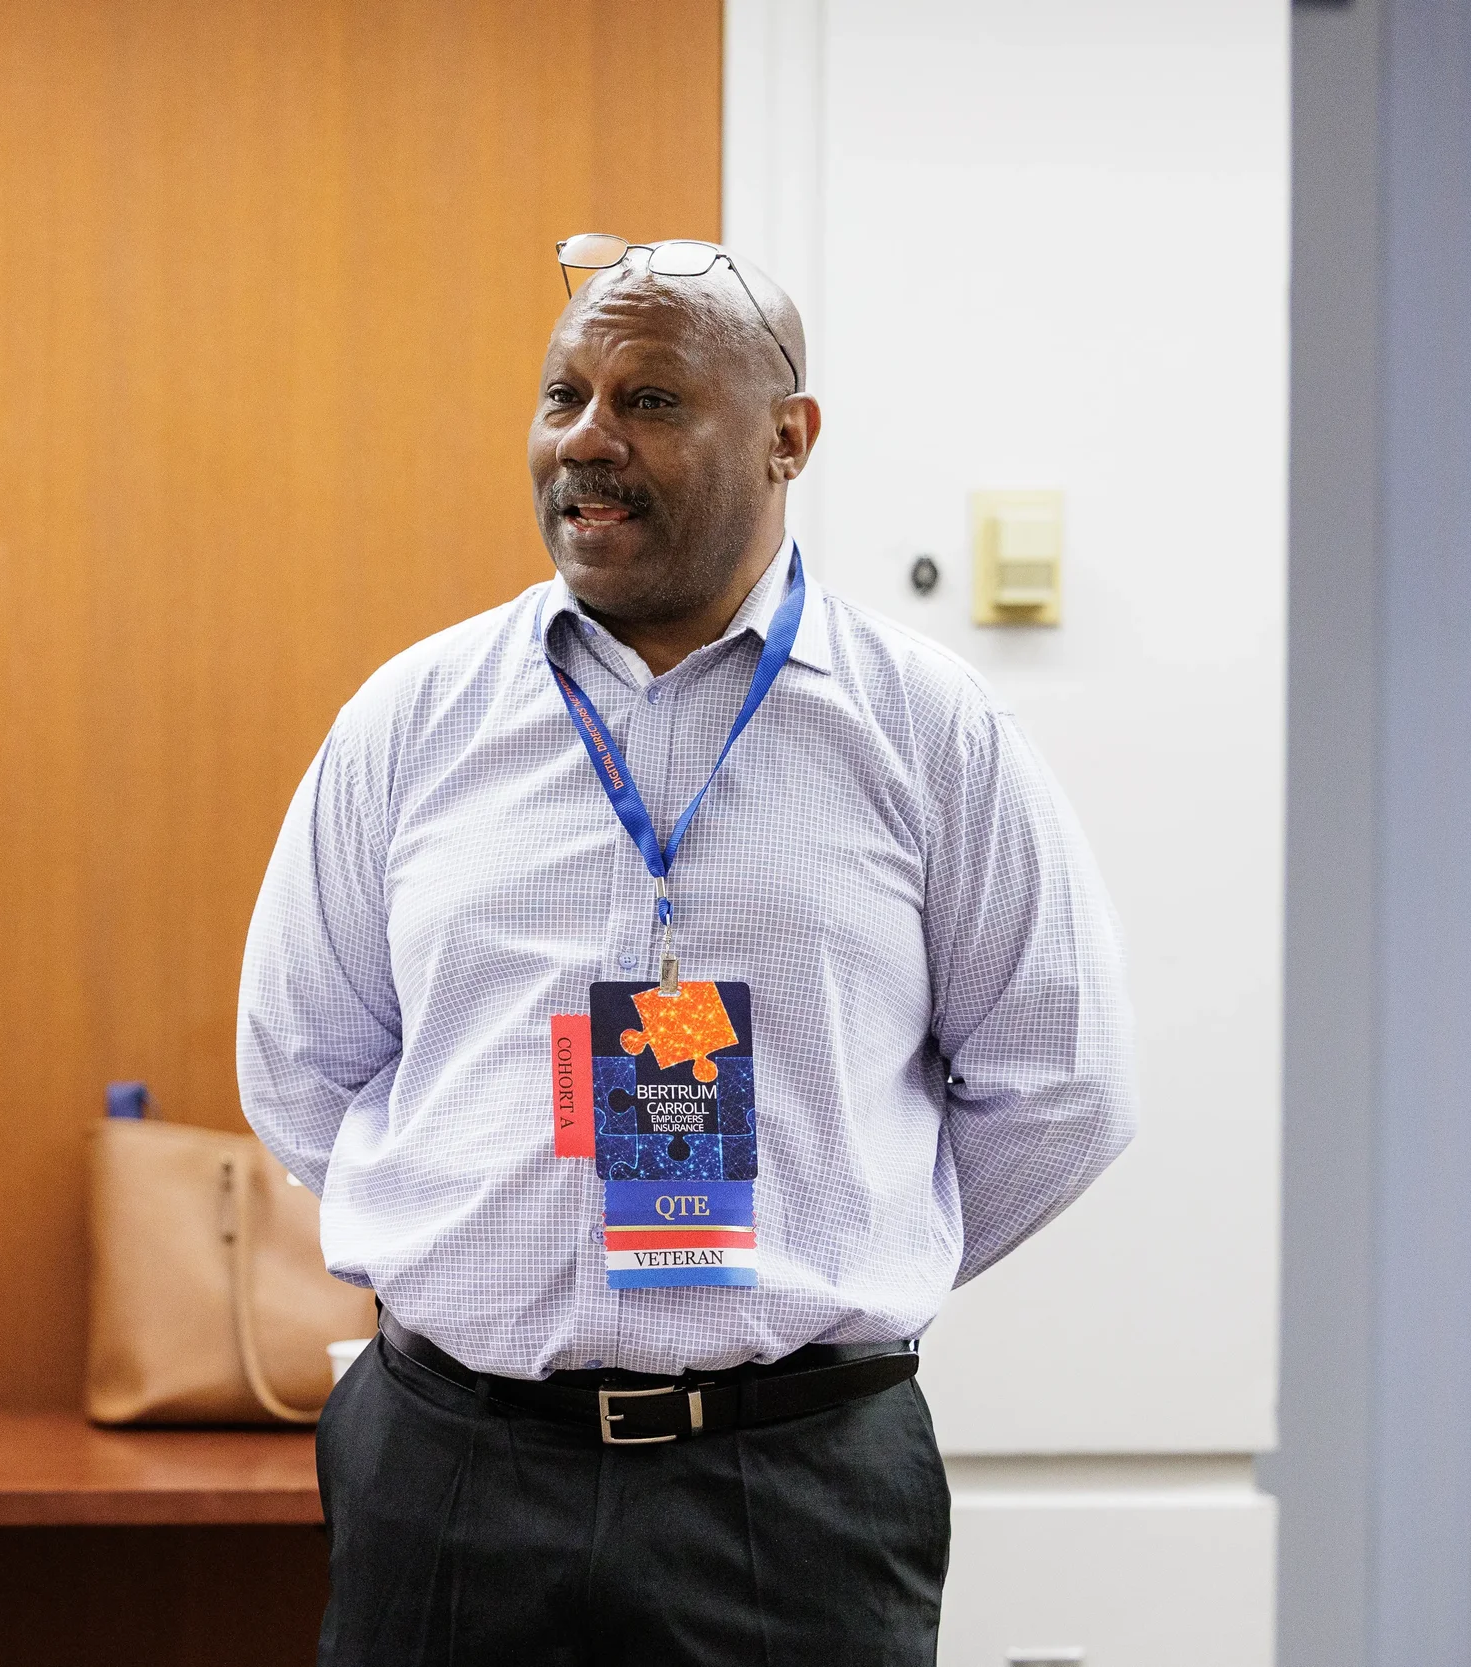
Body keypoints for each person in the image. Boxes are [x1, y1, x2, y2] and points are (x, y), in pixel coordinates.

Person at [237, 238, 1135, 1664]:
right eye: (564, 396)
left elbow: (1061, 1085)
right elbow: (301, 1062)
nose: (586, 441)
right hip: (453, 1469)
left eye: (649, 400)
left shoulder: (927, 730)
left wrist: (831, 1256)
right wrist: (476, 1249)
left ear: (788, 438)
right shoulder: (413, 720)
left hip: (793, 1490)